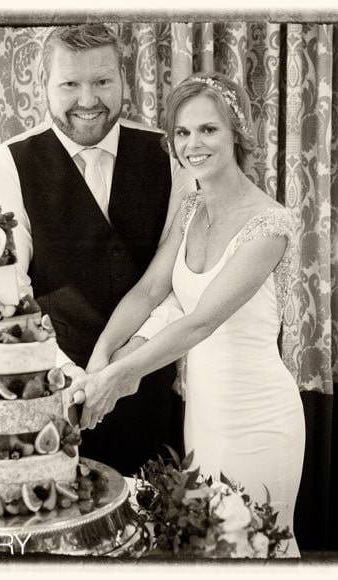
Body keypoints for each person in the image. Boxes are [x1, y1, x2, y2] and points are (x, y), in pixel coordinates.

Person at [77, 72, 306, 556]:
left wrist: (119, 375)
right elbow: (149, 291)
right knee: (204, 548)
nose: (192, 144)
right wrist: (98, 361)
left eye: (208, 130)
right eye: (182, 132)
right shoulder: (190, 208)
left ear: (237, 134)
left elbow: (200, 321)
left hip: (261, 420)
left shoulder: (270, 224)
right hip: (203, 417)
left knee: (253, 550)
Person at [0, 24, 191, 476]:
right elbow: (7, 297)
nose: (88, 100)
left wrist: (127, 365)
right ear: (44, 87)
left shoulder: (172, 156)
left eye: (102, 81)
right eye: (70, 84)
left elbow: (179, 279)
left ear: (124, 82)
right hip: (50, 396)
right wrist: (76, 381)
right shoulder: (6, 166)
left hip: (149, 388)